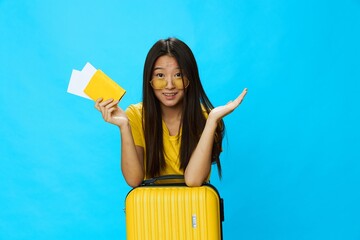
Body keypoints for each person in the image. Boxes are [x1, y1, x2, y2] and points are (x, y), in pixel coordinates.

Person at [95, 37, 247, 187]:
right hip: (152, 210)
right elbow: (134, 180)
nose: (169, 85)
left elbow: (193, 180)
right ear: (149, 79)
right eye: (160, 75)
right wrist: (124, 127)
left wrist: (212, 120)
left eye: (178, 75)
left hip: (196, 210)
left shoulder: (206, 117)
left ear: (190, 78)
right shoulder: (136, 115)